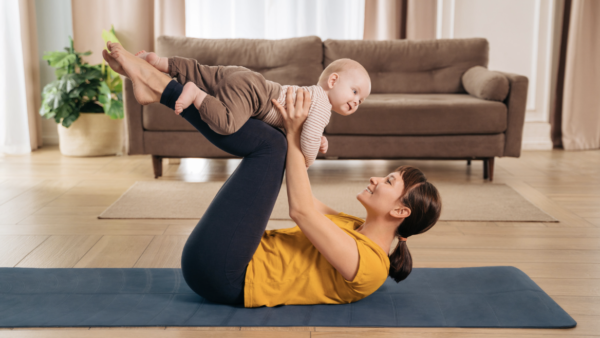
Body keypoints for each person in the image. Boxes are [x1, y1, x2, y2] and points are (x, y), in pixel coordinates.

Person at [102, 42, 442, 308]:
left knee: (276, 146)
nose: (375, 179)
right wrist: (295, 132)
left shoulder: (370, 266)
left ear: (401, 211)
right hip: (227, 257)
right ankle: (161, 84)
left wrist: (296, 135)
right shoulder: (353, 226)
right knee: (273, 142)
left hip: (226, 275)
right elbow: (306, 198)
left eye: (388, 182)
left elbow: (301, 210)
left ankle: (160, 83)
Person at [130, 50, 371, 168]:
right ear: (333, 81)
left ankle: (161, 62)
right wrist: (308, 160)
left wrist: (319, 137)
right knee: (227, 123)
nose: (356, 102)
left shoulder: (314, 97)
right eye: (355, 92)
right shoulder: (323, 107)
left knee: (204, 72)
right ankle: (196, 93)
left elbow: (308, 130)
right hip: (256, 96)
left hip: (249, 78)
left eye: (360, 102)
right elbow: (306, 141)